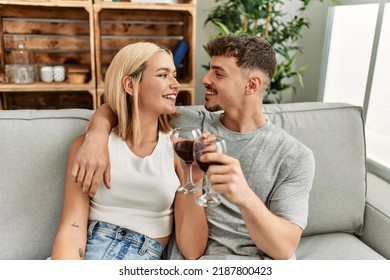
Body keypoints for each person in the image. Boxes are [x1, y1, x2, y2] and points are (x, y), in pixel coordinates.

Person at [70, 34, 315, 260]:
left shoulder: (294, 156)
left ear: (252, 85)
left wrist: (243, 195)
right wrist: (96, 134)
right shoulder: (187, 125)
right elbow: (126, 106)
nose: (204, 80)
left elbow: (284, 248)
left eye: (218, 74)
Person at [51, 42, 208, 260]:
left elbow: (192, 250)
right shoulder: (88, 147)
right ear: (130, 85)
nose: (175, 84)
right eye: (163, 75)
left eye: (174, 75)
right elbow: (71, 229)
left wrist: (196, 182)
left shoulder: (178, 151)